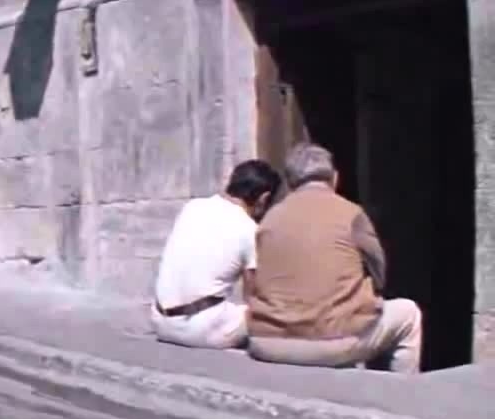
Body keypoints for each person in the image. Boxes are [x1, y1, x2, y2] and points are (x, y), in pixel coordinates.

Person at [247, 143, 423, 373]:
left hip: (267, 341)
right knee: (408, 314)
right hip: (331, 342)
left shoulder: (270, 218)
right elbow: (379, 272)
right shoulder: (352, 213)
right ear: (335, 178)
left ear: (289, 183)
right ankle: (401, 392)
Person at [150, 160, 281, 349]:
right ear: (263, 199)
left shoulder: (193, 207)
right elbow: (253, 296)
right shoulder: (249, 229)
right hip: (200, 330)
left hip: (160, 321)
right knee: (260, 314)